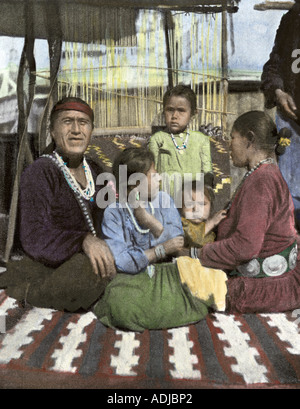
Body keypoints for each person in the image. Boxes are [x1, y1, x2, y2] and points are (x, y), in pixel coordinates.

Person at [0, 97, 116, 312]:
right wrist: (82, 240)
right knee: (88, 272)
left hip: (88, 257)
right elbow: (34, 237)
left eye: (83, 122)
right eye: (67, 121)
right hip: (49, 264)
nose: (76, 130)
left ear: (91, 130)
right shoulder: (40, 172)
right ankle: (26, 291)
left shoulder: (96, 170)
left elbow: (110, 217)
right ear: (53, 131)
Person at [94, 147, 214, 332]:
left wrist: (151, 222)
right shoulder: (114, 212)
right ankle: (162, 312)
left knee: (200, 286)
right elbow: (123, 261)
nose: (160, 178)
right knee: (119, 304)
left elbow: (177, 240)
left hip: (170, 271)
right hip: (134, 279)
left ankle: (158, 311)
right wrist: (160, 250)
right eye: (154, 175)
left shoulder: (163, 199)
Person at [197, 110, 300, 314]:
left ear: (249, 140)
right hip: (277, 276)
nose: (228, 145)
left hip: (263, 287)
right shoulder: (266, 173)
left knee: (185, 284)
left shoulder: (261, 180)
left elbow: (245, 247)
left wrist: (198, 254)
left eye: (232, 138)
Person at [261, 0, 300, 230]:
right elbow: (273, 67)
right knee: (290, 193)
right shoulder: (291, 20)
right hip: (291, 121)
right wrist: (278, 91)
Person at [148, 84, 213, 197]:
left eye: (181, 110)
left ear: (193, 113)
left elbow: (207, 172)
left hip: (193, 202)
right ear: (164, 112)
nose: (174, 116)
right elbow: (151, 172)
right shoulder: (158, 139)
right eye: (170, 110)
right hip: (165, 200)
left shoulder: (201, 140)